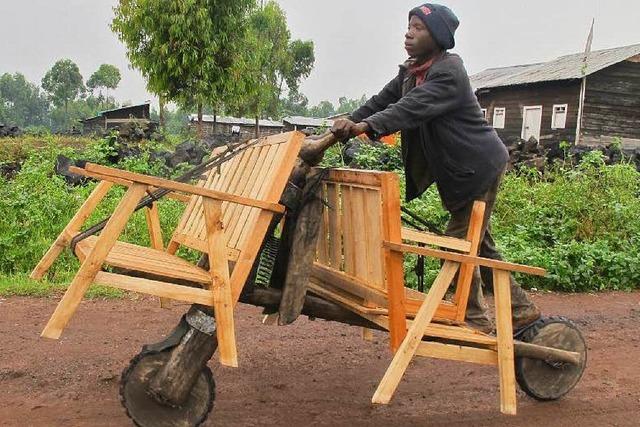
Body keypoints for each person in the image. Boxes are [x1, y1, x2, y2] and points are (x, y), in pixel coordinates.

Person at [330, 3, 541, 333]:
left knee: (458, 243)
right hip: (458, 171)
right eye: (409, 25)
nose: (408, 32)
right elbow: (380, 101)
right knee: (479, 243)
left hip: (478, 167)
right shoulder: (410, 72)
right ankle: (519, 309)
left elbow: (409, 108)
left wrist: (365, 127)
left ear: (438, 36)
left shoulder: (449, 72)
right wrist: (343, 123)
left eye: (418, 27)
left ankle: (473, 318)